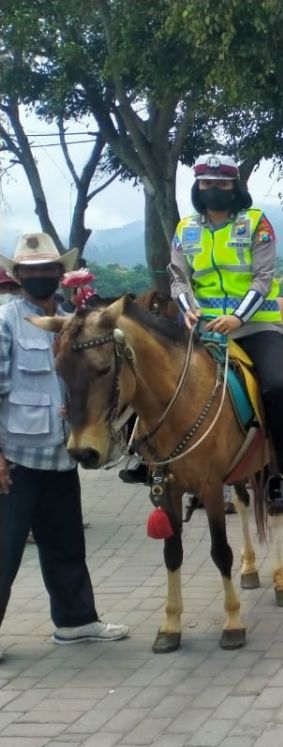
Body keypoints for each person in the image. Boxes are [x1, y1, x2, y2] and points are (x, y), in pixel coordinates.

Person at [0, 234, 130, 654]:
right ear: (17, 276)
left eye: (48, 269)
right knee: (4, 550)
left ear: (60, 273)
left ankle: (76, 622)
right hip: (16, 458)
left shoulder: (77, 321)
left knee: (67, 544)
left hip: (61, 454)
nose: (40, 277)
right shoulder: (5, 322)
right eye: (31, 271)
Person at [169, 154, 283, 506]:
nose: (213, 190)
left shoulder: (257, 223)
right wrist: (188, 311)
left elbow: (263, 277)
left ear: (234, 187)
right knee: (154, 374)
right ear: (198, 187)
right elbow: (179, 278)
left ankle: (280, 471)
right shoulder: (184, 230)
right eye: (206, 184)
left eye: (221, 184)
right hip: (205, 329)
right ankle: (149, 460)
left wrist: (239, 318)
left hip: (256, 327)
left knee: (280, 386)